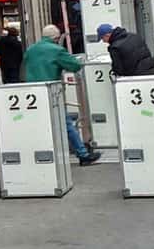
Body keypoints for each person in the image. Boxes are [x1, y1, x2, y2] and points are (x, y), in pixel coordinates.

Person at [24, 25, 102, 165]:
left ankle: (39, 154)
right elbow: (74, 66)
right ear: (56, 38)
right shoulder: (57, 50)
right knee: (66, 124)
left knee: (39, 124)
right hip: (52, 92)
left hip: (33, 93)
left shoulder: (30, 49)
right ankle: (83, 155)